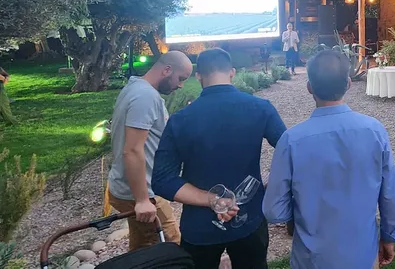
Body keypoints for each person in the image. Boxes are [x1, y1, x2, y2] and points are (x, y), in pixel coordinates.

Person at [263, 51, 395, 269]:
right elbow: (388, 196)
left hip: (312, 259)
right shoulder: (375, 130)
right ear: (348, 84)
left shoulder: (291, 140)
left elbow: (274, 211)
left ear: (310, 87)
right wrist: (389, 236)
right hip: (362, 256)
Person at [152, 49, 287, 269]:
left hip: (199, 225)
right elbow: (289, 151)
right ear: (232, 72)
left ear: (199, 76)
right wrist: (275, 186)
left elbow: (162, 179)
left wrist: (211, 199)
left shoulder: (180, 120)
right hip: (249, 217)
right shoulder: (261, 109)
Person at [108, 51, 192, 251]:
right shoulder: (146, 96)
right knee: (171, 244)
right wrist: (143, 200)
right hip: (140, 191)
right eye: (180, 79)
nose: (180, 85)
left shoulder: (136, 88)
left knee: (143, 247)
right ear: (167, 70)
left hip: (133, 187)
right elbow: (132, 150)